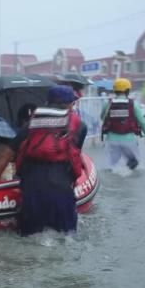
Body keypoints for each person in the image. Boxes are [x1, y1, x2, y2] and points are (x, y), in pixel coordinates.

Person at [14, 85, 87, 236]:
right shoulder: (80, 125)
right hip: (60, 186)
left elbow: (14, 148)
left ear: (48, 102)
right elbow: (75, 154)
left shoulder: (31, 123)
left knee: (30, 236)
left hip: (32, 187)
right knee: (66, 237)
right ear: (69, 104)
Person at [101, 78, 145, 170]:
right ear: (128, 91)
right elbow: (143, 122)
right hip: (129, 140)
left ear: (114, 90)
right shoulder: (133, 104)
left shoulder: (108, 103)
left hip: (111, 140)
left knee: (112, 167)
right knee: (134, 164)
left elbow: (102, 118)